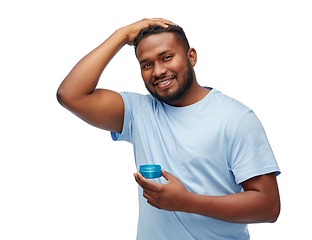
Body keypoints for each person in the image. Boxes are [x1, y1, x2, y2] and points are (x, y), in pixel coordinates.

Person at [57, 18, 281, 240]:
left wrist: (187, 202)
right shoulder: (139, 112)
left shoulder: (236, 118)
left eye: (166, 57)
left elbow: (268, 207)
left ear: (191, 57)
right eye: (147, 64)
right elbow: (70, 95)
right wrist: (122, 35)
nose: (158, 71)